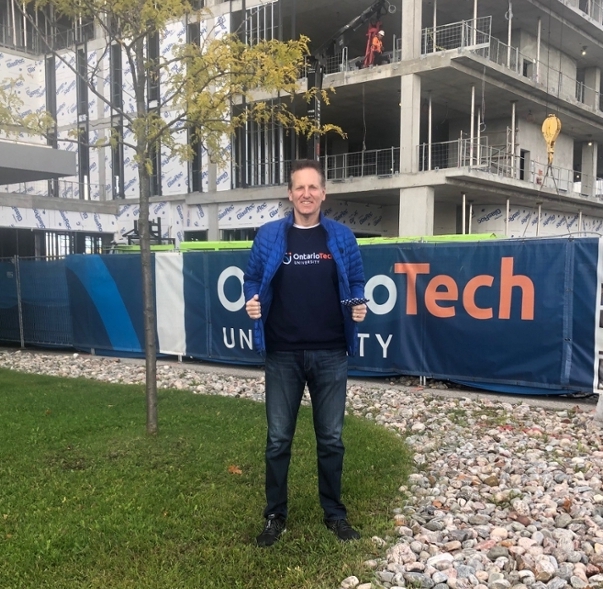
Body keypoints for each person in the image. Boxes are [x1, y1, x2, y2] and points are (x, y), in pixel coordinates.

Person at [243, 159, 367, 547]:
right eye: (300, 187)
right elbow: (251, 278)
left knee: (331, 439)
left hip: (331, 353)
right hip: (282, 354)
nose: (306, 194)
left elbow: (357, 281)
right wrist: (251, 299)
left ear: (324, 193)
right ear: (290, 193)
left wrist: (357, 302)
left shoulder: (342, 237)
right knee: (278, 439)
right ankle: (274, 517)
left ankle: (334, 514)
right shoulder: (268, 236)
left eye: (313, 187)